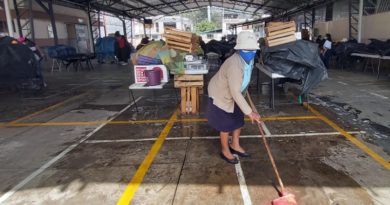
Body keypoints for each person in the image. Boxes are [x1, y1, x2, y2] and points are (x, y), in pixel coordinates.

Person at [207, 31, 261, 164]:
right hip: (221, 93)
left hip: (236, 92)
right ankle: (225, 150)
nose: (251, 51)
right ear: (239, 49)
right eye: (247, 49)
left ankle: (235, 145)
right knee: (225, 125)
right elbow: (234, 91)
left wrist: (246, 105)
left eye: (253, 49)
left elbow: (243, 81)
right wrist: (250, 112)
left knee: (238, 120)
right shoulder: (234, 64)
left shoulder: (250, 59)